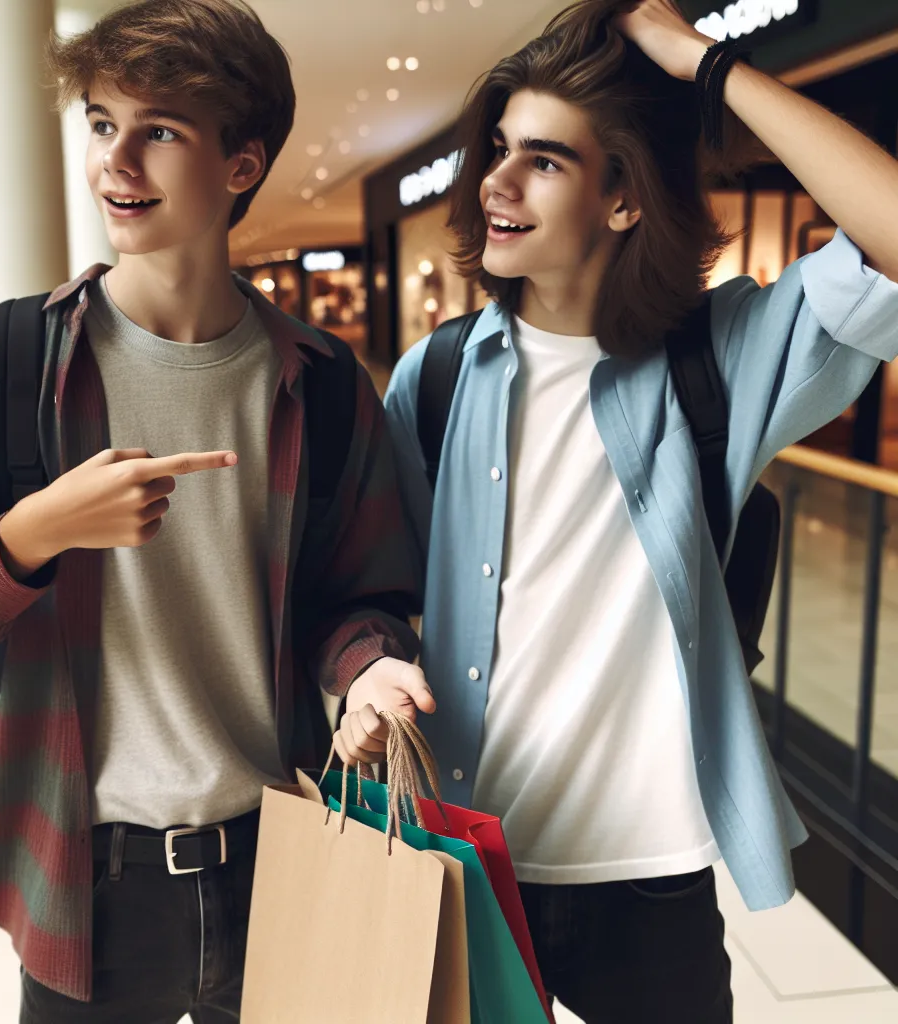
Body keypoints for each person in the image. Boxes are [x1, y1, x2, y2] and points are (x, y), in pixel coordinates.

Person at [334, 1, 898, 1021]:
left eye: (543, 160)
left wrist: (709, 64)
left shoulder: (718, 358)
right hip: (461, 852)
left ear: (624, 197)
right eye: (498, 150)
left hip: (649, 876)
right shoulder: (440, 374)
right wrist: (364, 671)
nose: (495, 183)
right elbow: (363, 585)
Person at [0, 1, 430, 1020]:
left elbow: (359, 598)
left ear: (241, 165)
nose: (114, 163)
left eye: (158, 131)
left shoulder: (323, 383)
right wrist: (33, 533)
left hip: (282, 850)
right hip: (89, 878)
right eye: (99, 123)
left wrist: (367, 668)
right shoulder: (2, 364)